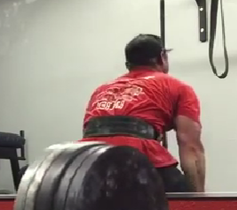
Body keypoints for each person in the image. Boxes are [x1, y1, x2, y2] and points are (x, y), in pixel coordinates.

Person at [81, 34, 206, 192]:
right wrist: (199, 199)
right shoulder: (178, 87)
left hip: (89, 158)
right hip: (137, 154)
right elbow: (190, 147)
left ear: (128, 64)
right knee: (182, 200)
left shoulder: (101, 89)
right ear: (162, 57)